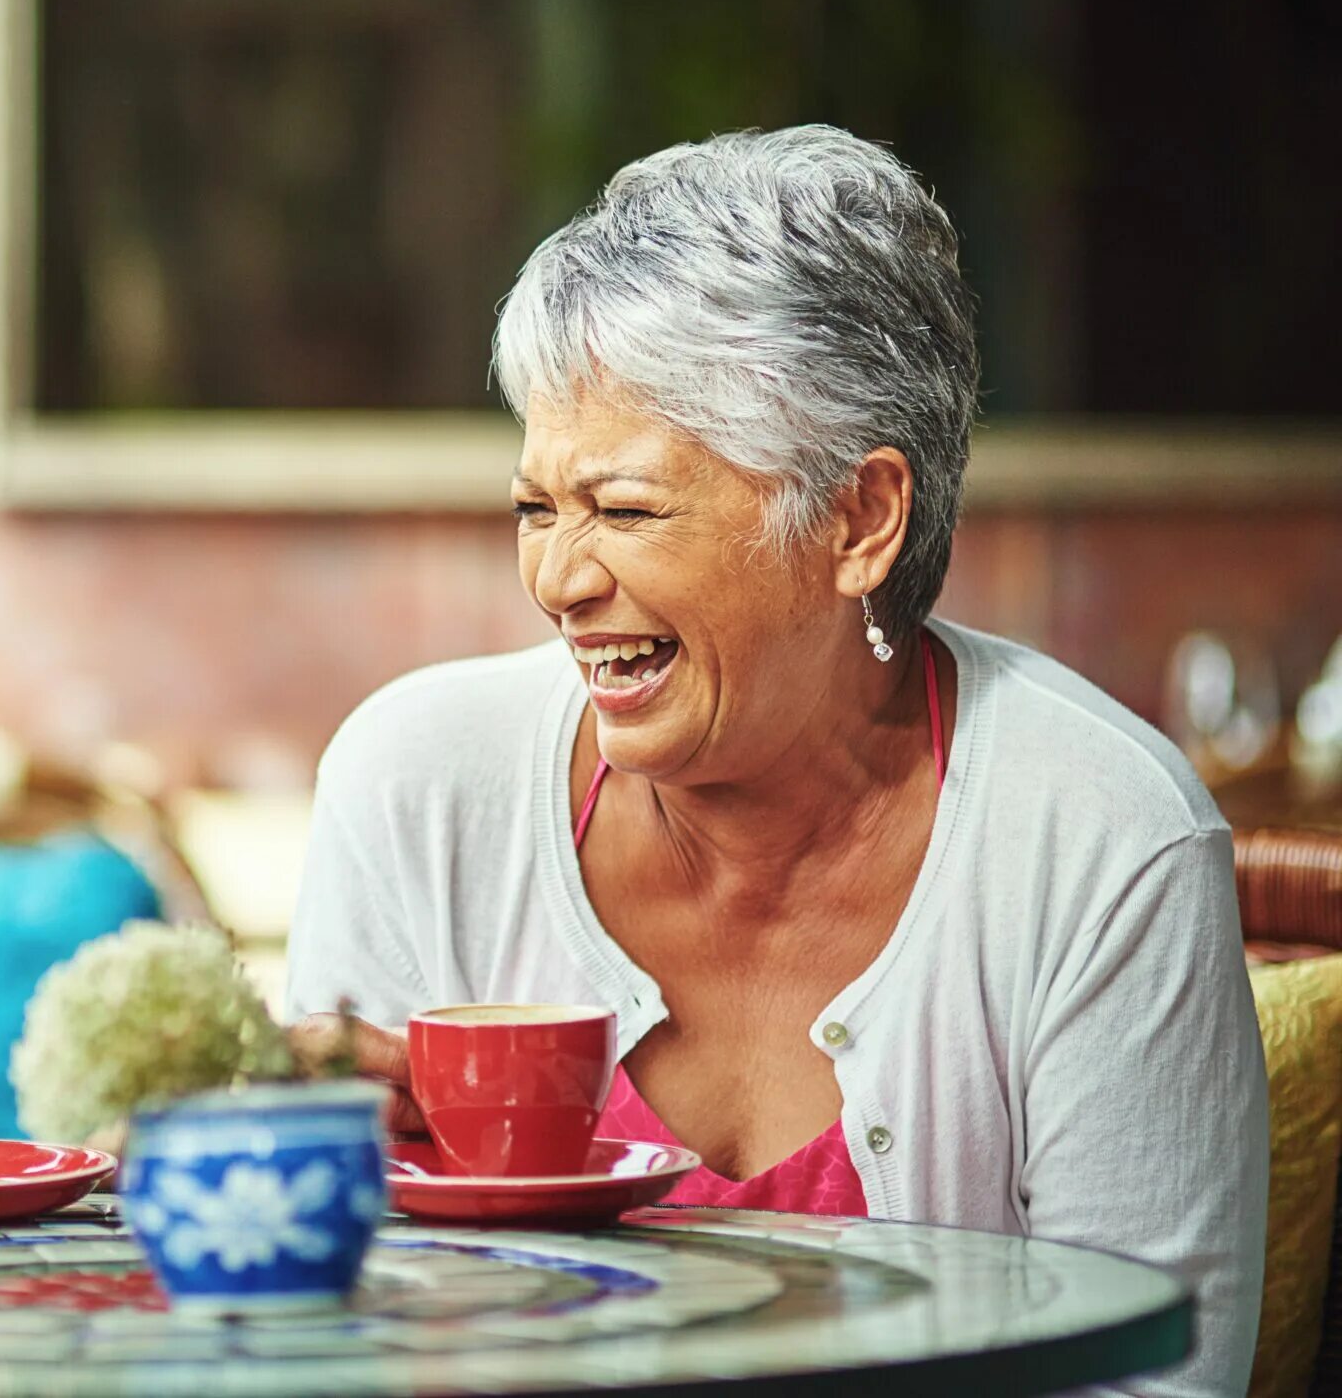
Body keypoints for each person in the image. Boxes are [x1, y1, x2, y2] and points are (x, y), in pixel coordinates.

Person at [287, 126, 1267, 1396]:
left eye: (626, 510)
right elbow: (321, 1343)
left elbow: (1153, 1379)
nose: (557, 581)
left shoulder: (1101, 840)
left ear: (858, 519)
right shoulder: (416, 787)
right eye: (537, 507)